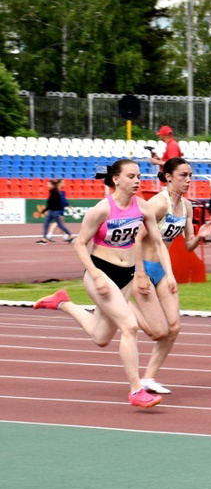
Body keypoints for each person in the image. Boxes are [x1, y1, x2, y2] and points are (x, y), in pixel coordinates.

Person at [33, 159, 177, 408]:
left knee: (101, 337)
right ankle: (135, 390)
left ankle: (63, 303)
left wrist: (171, 273)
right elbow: (79, 244)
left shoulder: (143, 208)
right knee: (129, 326)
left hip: (126, 276)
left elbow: (157, 243)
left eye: (139, 176)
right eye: (131, 176)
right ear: (116, 179)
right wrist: (95, 274)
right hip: (101, 272)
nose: (137, 181)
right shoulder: (101, 210)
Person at [131, 158, 211, 394]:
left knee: (174, 327)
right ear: (168, 177)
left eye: (190, 175)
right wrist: (138, 273)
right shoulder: (158, 203)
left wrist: (201, 235)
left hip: (162, 269)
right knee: (156, 331)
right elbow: (136, 239)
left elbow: (188, 245)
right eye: (183, 175)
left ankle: (148, 378)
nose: (189, 180)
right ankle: (121, 305)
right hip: (143, 267)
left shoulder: (187, 207)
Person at [37, 179, 75, 244]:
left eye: (49, 184)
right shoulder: (54, 191)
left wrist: (44, 210)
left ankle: (70, 235)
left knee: (59, 225)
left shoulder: (56, 192)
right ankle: (44, 239)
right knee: (48, 224)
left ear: (52, 185)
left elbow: (55, 203)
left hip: (55, 211)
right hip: (53, 211)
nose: (47, 185)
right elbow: (52, 203)